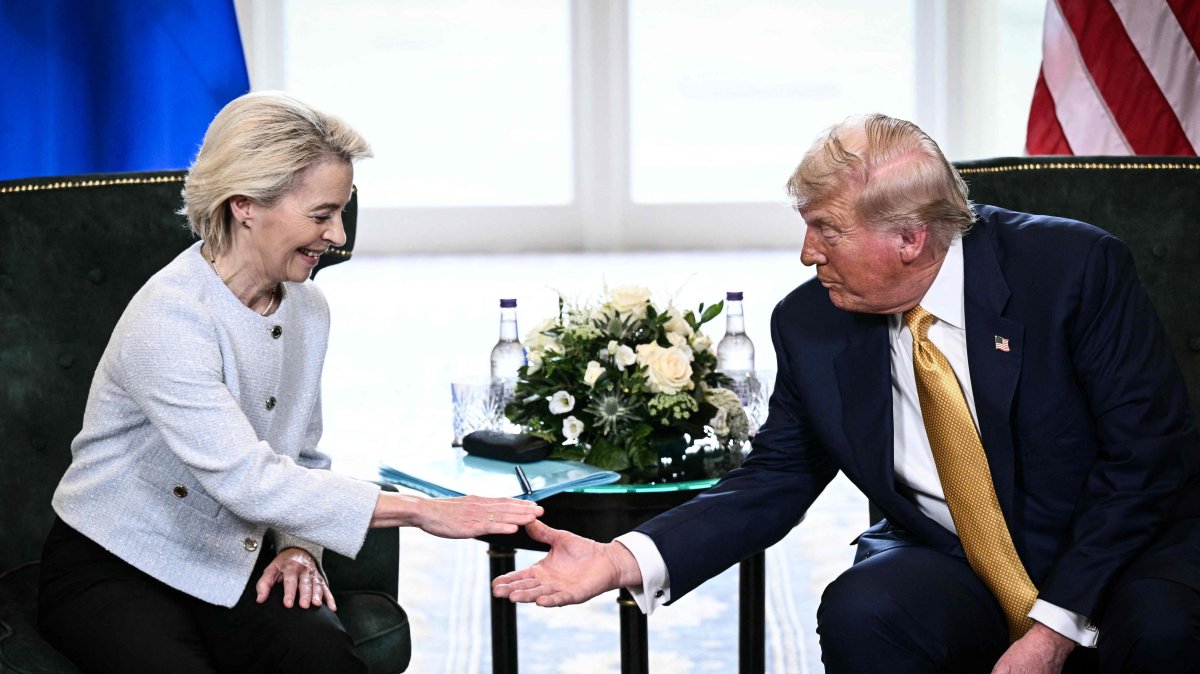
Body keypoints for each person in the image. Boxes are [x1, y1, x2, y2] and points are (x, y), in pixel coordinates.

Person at [492, 114, 1200, 673]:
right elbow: (775, 479)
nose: (806, 253)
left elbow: (1144, 463)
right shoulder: (811, 323)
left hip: (1119, 550)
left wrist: (1053, 630)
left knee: (1163, 630)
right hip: (956, 556)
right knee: (866, 608)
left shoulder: (1072, 271)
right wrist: (621, 558)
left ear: (911, 240)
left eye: (826, 229)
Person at [37, 91, 543, 673]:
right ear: (245, 204)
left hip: (232, 551)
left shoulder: (307, 308)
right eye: (322, 214)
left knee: (322, 659)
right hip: (115, 561)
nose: (338, 236)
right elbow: (248, 479)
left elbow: (299, 455)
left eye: (342, 213)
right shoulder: (170, 317)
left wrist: (301, 546)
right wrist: (422, 510)